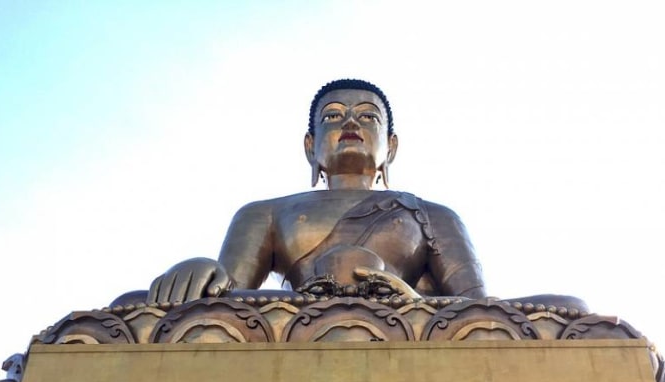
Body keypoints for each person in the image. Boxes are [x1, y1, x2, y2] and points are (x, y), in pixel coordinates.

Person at [145, 79, 487, 304]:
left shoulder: (432, 215)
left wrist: (411, 302)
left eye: (368, 118)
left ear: (391, 147)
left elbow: (480, 308)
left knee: (541, 312)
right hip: (296, 318)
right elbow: (228, 296)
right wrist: (202, 273)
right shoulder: (264, 213)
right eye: (333, 117)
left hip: (406, 317)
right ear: (311, 146)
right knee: (131, 307)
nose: (350, 124)